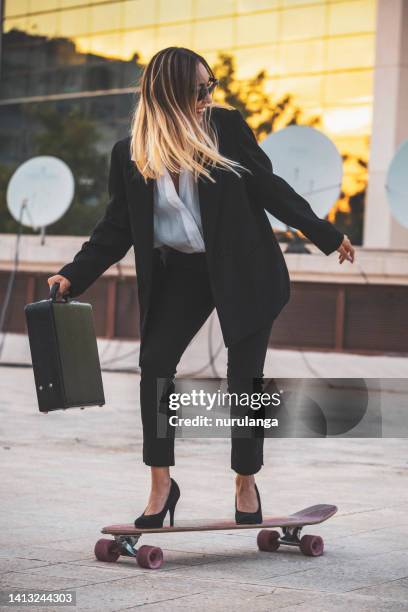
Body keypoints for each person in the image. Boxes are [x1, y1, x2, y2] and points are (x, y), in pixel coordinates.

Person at [48, 47, 355, 528]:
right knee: (155, 367)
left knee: (244, 379)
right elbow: (116, 228)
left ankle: (245, 480)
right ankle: (161, 485)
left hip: (244, 267)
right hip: (182, 273)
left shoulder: (224, 128)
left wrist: (324, 233)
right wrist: (74, 274)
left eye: (210, 85)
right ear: (168, 91)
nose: (208, 95)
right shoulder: (130, 152)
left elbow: (269, 188)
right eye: (199, 88)